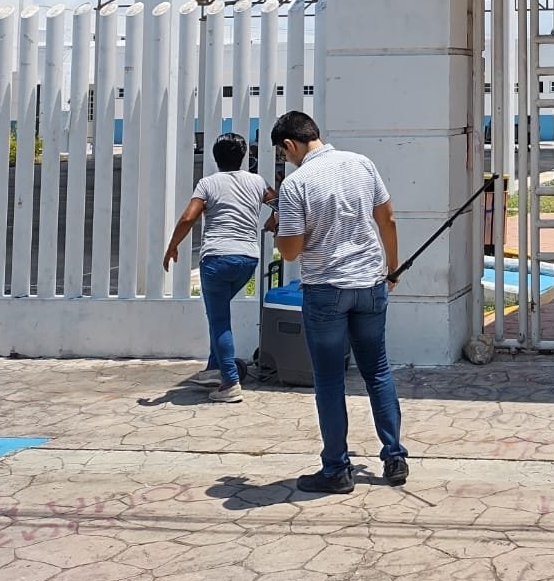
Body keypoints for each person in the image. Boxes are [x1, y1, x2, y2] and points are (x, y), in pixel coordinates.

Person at [269, 111, 408, 494]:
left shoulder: (295, 184)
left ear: (289, 145)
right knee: (377, 370)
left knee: (330, 381)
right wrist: (391, 269)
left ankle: (336, 468)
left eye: (283, 153)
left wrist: (281, 226)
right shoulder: (361, 164)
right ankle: (394, 456)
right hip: (369, 284)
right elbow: (389, 220)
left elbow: (292, 252)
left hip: (326, 290)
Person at [162, 133, 272, 403]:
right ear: (244, 156)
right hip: (247, 260)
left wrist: (172, 246)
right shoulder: (256, 181)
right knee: (217, 312)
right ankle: (214, 368)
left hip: (216, 259)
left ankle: (230, 383)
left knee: (219, 319)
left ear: (215, 157)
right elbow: (280, 202)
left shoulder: (208, 183)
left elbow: (188, 217)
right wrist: (275, 220)